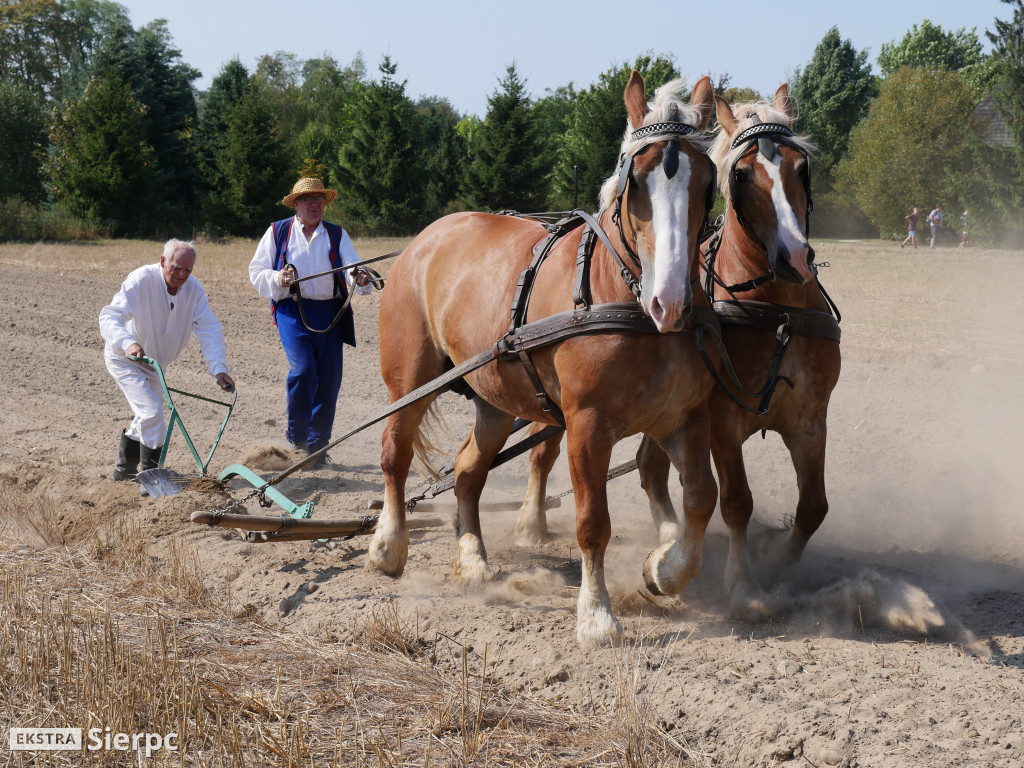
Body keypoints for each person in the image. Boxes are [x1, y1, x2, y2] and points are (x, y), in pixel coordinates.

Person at [249, 177, 373, 466]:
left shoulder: (337, 234)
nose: (315, 204)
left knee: (329, 380)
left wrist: (359, 275)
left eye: (320, 200)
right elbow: (256, 270)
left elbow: (351, 264)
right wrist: (276, 278)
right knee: (303, 370)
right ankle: (299, 438)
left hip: (331, 312)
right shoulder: (277, 232)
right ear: (296, 204)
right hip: (292, 311)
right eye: (308, 200)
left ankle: (317, 449)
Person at [100, 239, 234, 483]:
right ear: (163, 261)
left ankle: (123, 473)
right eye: (176, 268)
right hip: (125, 359)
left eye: (188, 270)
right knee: (152, 414)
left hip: (155, 365)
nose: (182, 275)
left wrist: (219, 369)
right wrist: (128, 342)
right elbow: (109, 316)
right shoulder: (141, 280)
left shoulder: (194, 290)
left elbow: (209, 328)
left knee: (146, 416)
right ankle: (152, 480)